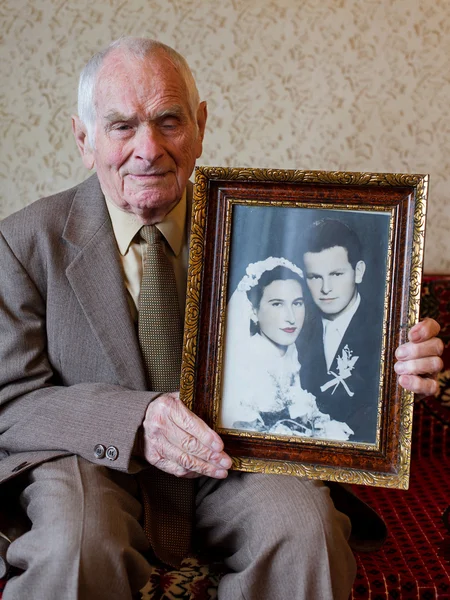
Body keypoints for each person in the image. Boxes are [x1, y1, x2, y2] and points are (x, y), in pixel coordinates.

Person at [0, 37, 443, 600]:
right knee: (75, 549)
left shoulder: (266, 224)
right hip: (91, 462)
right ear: (84, 139)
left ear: (201, 125)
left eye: (168, 120)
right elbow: (10, 405)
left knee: (307, 533)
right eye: (121, 127)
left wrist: (393, 366)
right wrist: (136, 419)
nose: (149, 148)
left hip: (240, 456)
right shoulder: (22, 243)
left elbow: (331, 342)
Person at [220, 257, 353, 440]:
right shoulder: (244, 361)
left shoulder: (290, 352)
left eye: (297, 303)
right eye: (277, 304)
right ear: (253, 312)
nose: (291, 317)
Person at [299, 218, 390, 442]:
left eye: (336, 274)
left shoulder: (385, 327)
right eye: (315, 277)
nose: (325, 289)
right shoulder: (294, 327)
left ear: (358, 272)